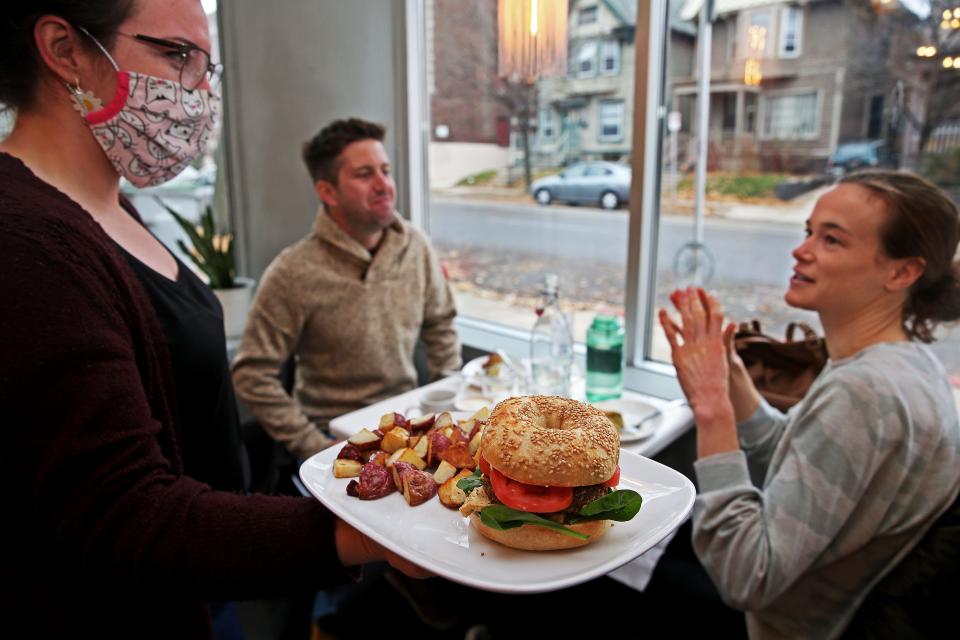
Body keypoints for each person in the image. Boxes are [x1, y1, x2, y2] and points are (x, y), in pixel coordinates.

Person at [0, 2, 426, 637]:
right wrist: (367, 528)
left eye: (208, 66)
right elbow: (125, 513)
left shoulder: (113, 211)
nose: (200, 93)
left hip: (194, 585)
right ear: (65, 49)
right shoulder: (26, 243)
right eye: (177, 56)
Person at [659, 170, 960, 638]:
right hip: (788, 584)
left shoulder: (865, 393)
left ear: (902, 272)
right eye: (809, 232)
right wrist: (730, 375)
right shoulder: (904, 362)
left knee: (604, 564)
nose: (801, 250)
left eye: (832, 240)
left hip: (776, 622)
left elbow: (745, 577)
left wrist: (712, 408)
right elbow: (797, 452)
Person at [231, 118, 461, 460]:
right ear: (327, 192)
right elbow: (251, 374)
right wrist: (313, 446)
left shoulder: (416, 247)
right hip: (334, 438)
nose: (384, 184)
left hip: (408, 430)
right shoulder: (292, 271)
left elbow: (441, 324)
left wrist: (447, 407)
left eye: (385, 170)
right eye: (365, 174)